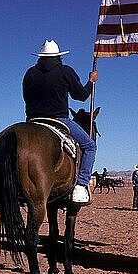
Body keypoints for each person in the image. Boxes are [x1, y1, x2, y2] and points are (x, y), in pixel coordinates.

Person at [22, 39, 99, 204]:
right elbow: (81, 96)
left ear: (40, 56)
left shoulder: (29, 73)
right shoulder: (65, 71)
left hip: (32, 121)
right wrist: (91, 82)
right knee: (90, 146)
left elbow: (26, 98)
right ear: (59, 57)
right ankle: (81, 185)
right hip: (59, 119)